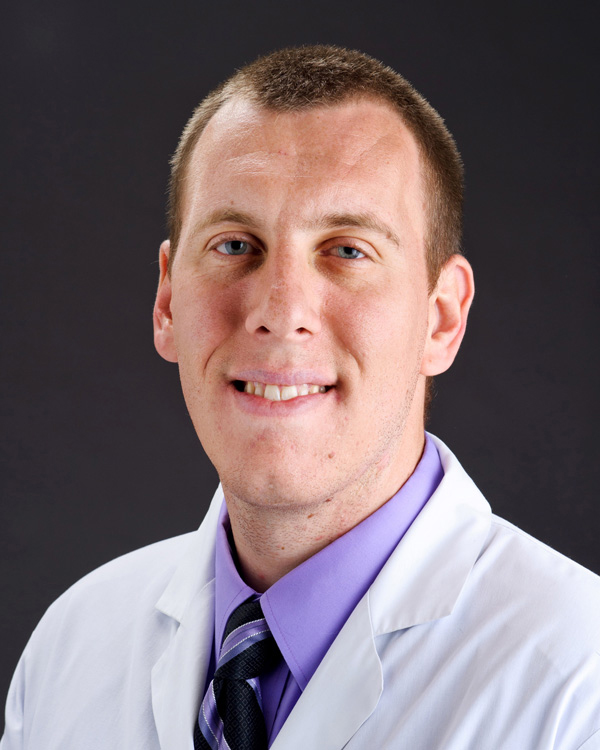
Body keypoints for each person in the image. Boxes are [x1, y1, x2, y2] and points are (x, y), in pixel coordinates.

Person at [2, 45, 599, 750]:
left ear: (441, 319)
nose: (280, 313)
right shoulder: (72, 647)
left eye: (347, 250)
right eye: (234, 245)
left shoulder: (577, 685)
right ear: (166, 301)